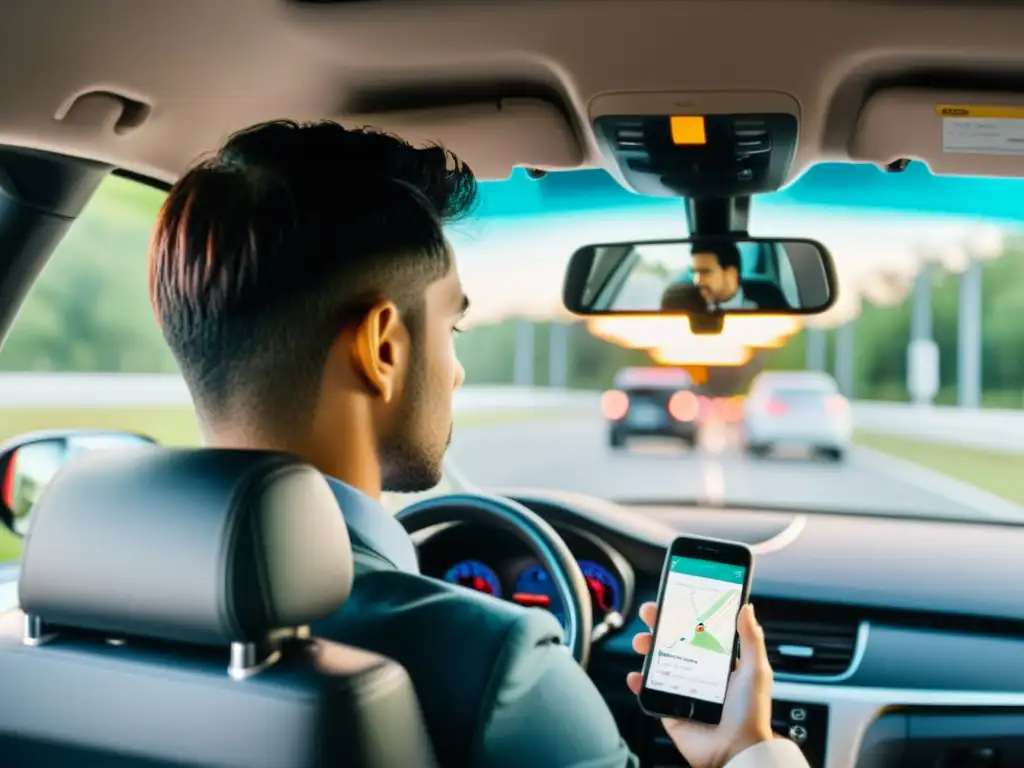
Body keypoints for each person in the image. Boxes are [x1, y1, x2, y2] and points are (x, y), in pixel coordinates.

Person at [0, 120, 808, 768]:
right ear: (383, 348)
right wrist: (745, 750)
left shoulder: (37, 644)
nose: (454, 371)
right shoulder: (496, 667)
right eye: (451, 326)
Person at [690, 241, 789, 310]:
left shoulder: (769, 300)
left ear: (731, 274)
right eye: (694, 272)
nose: (697, 281)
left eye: (705, 272)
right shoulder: (687, 303)